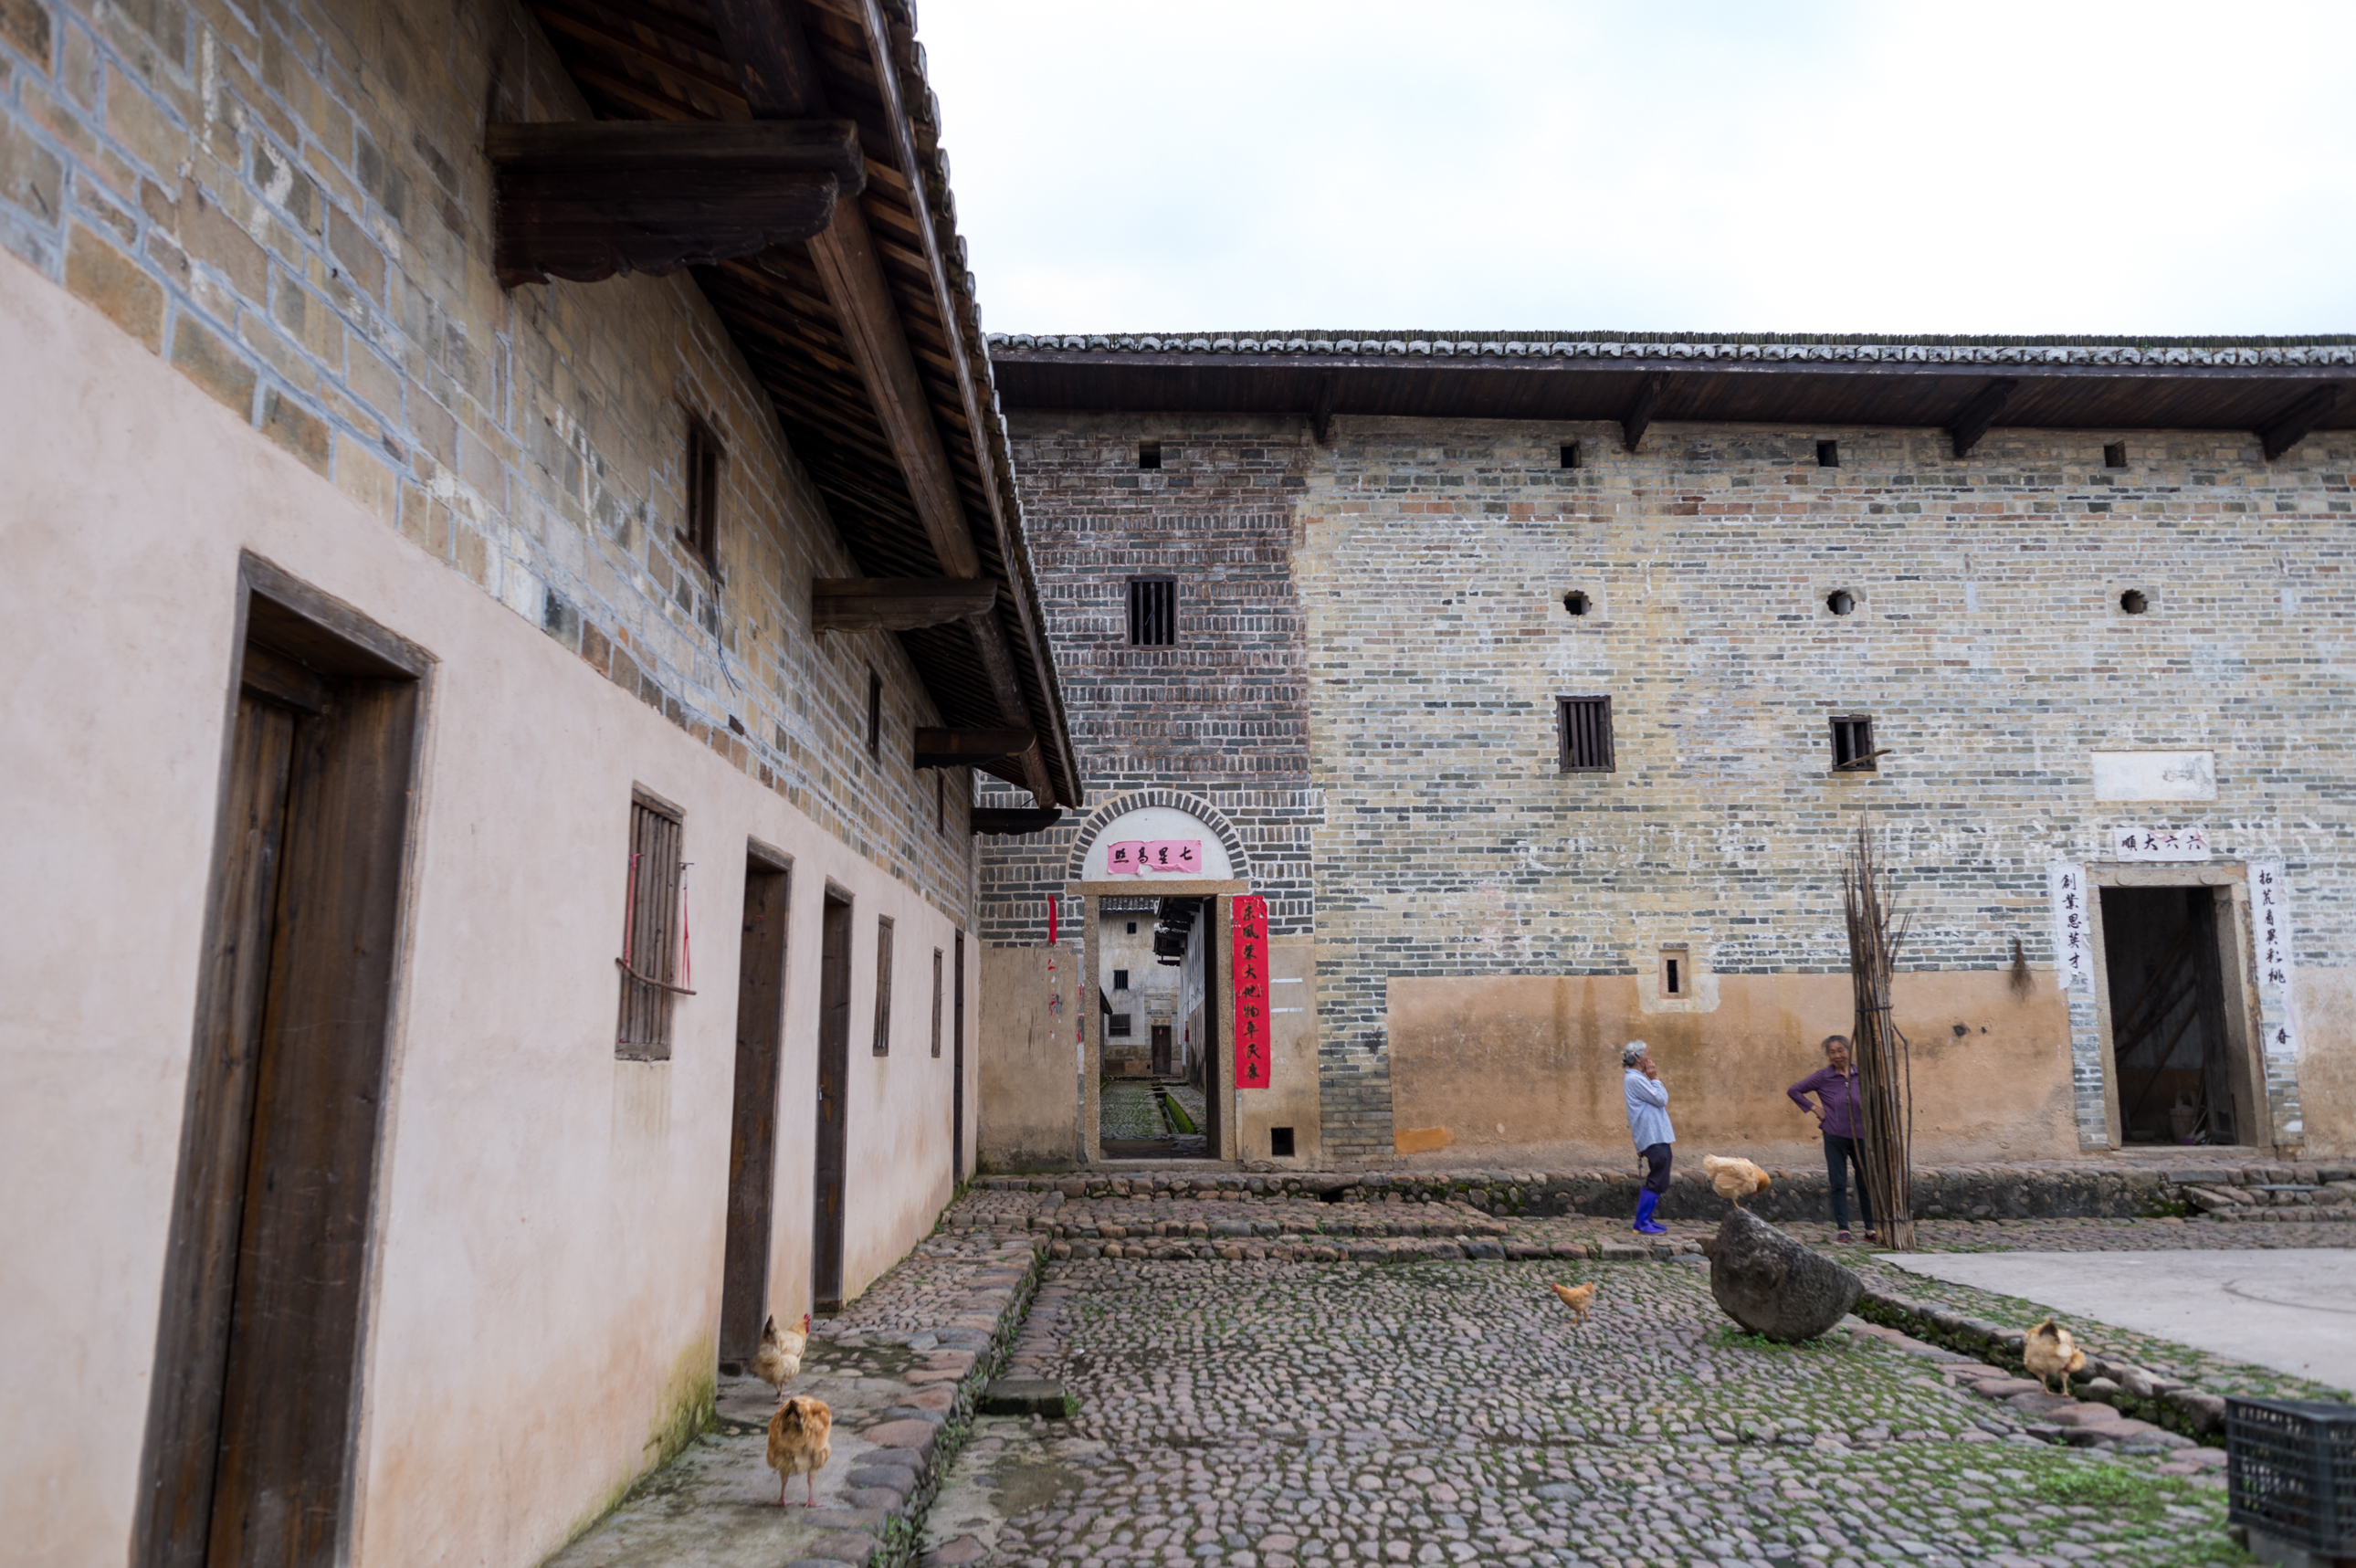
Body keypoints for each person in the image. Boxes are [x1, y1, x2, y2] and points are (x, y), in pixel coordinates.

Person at [1787, 1034, 1877, 1244]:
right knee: (1838, 1182)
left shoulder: (1862, 1074)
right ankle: (1844, 1229)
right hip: (1834, 1135)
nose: (1837, 1055)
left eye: (1840, 1050)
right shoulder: (1823, 1076)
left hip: (1862, 1136)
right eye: (1832, 1052)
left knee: (1865, 1182)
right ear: (1828, 1055)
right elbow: (1794, 1090)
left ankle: (1870, 1229)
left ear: (1848, 1051)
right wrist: (1815, 1108)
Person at [1621, 1041, 1673, 1236]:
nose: (1651, 1059)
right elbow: (1661, 1099)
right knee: (1658, 1176)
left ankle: (1647, 1219)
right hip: (1652, 1136)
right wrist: (1655, 1078)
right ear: (1639, 1058)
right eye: (1648, 1054)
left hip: (1655, 1135)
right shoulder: (1636, 1079)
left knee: (1661, 1176)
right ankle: (1642, 1222)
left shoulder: (1636, 1078)